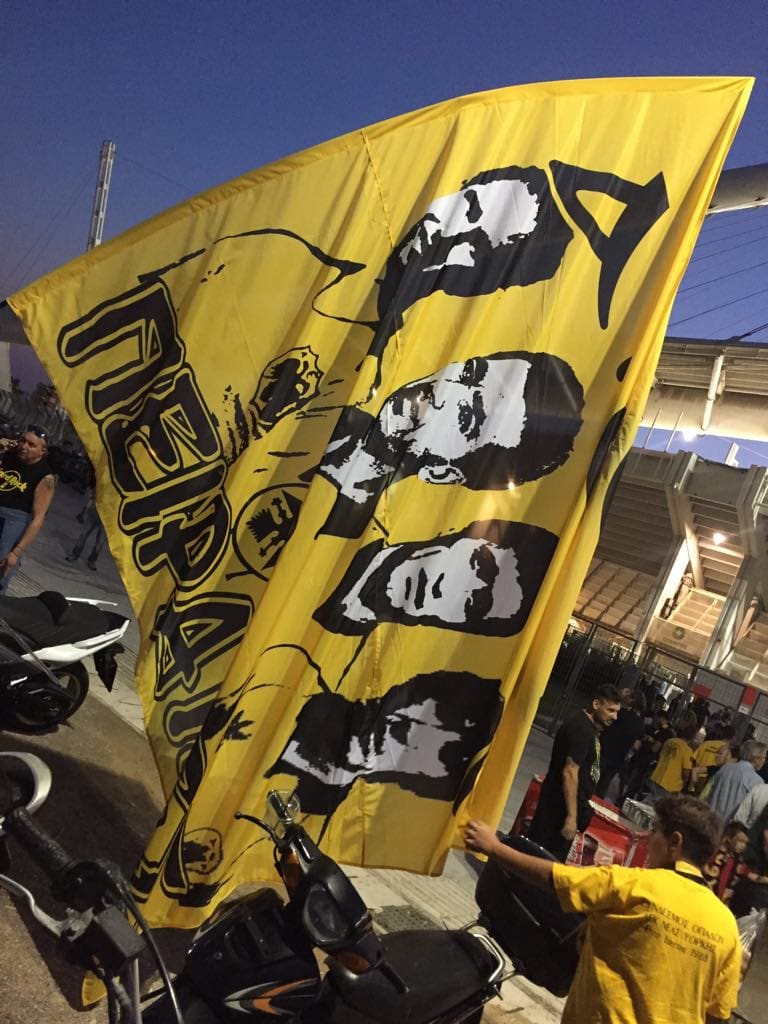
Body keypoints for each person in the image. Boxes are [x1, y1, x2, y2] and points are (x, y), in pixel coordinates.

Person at [465, 795, 741, 1024]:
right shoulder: (727, 927)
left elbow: (556, 879)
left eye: (655, 830)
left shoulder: (634, 885)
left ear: (675, 842)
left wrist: (494, 847)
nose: (647, 838)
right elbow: (717, 1014)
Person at [317, 350, 584, 538]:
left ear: (441, 472)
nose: (444, 391)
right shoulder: (336, 387)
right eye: (469, 373)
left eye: (466, 417)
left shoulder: (334, 529)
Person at [313, 518, 558, 639]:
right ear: (460, 534)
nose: (452, 588)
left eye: (476, 602)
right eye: (481, 565)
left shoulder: (343, 655)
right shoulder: (354, 515)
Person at [527, 685, 621, 860]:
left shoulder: (590, 729)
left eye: (617, 712)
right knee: (543, 860)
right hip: (558, 811)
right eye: (610, 710)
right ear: (596, 704)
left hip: (567, 807)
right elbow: (570, 771)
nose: (615, 717)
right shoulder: (581, 729)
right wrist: (571, 817)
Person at [0, 427, 55, 592]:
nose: (24, 446)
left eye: (32, 445)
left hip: (11, 526)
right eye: (23, 441)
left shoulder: (45, 476)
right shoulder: (9, 456)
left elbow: (38, 518)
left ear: (42, 451)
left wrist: (16, 552)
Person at [595, 688, 646, 799]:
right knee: (604, 784)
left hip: (604, 748)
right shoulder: (641, 724)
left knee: (592, 778)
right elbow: (636, 746)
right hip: (618, 757)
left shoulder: (621, 713)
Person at [705, 740, 768, 824]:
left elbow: (710, 792)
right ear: (756, 758)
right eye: (763, 757)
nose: (764, 761)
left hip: (710, 820)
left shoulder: (725, 768)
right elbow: (755, 812)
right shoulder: (756, 780)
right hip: (730, 827)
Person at [644, 711, 698, 800]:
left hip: (656, 777)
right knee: (656, 805)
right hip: (670, 785)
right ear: (692, 738)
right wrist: (684, 784)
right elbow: (685, 773)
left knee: (649, 800)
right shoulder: (688, 751)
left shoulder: (670, 741)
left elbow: (661, 755)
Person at [65, 467, 105, 570]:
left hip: (107, 520)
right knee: (83, 535)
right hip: (95, 513)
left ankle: (92, 560)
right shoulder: (104, 483)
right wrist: (86, 510)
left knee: (99, 543)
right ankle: (75, 554)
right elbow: (93, 496)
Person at [703, 821, 750, 905]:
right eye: (740, 841)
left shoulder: (739, 862)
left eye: (745, 843)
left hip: (720, 902)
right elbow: (702, 864)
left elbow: (750, 875)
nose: (743, 846)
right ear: (729, 838)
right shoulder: (715, 852)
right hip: (705, 893)